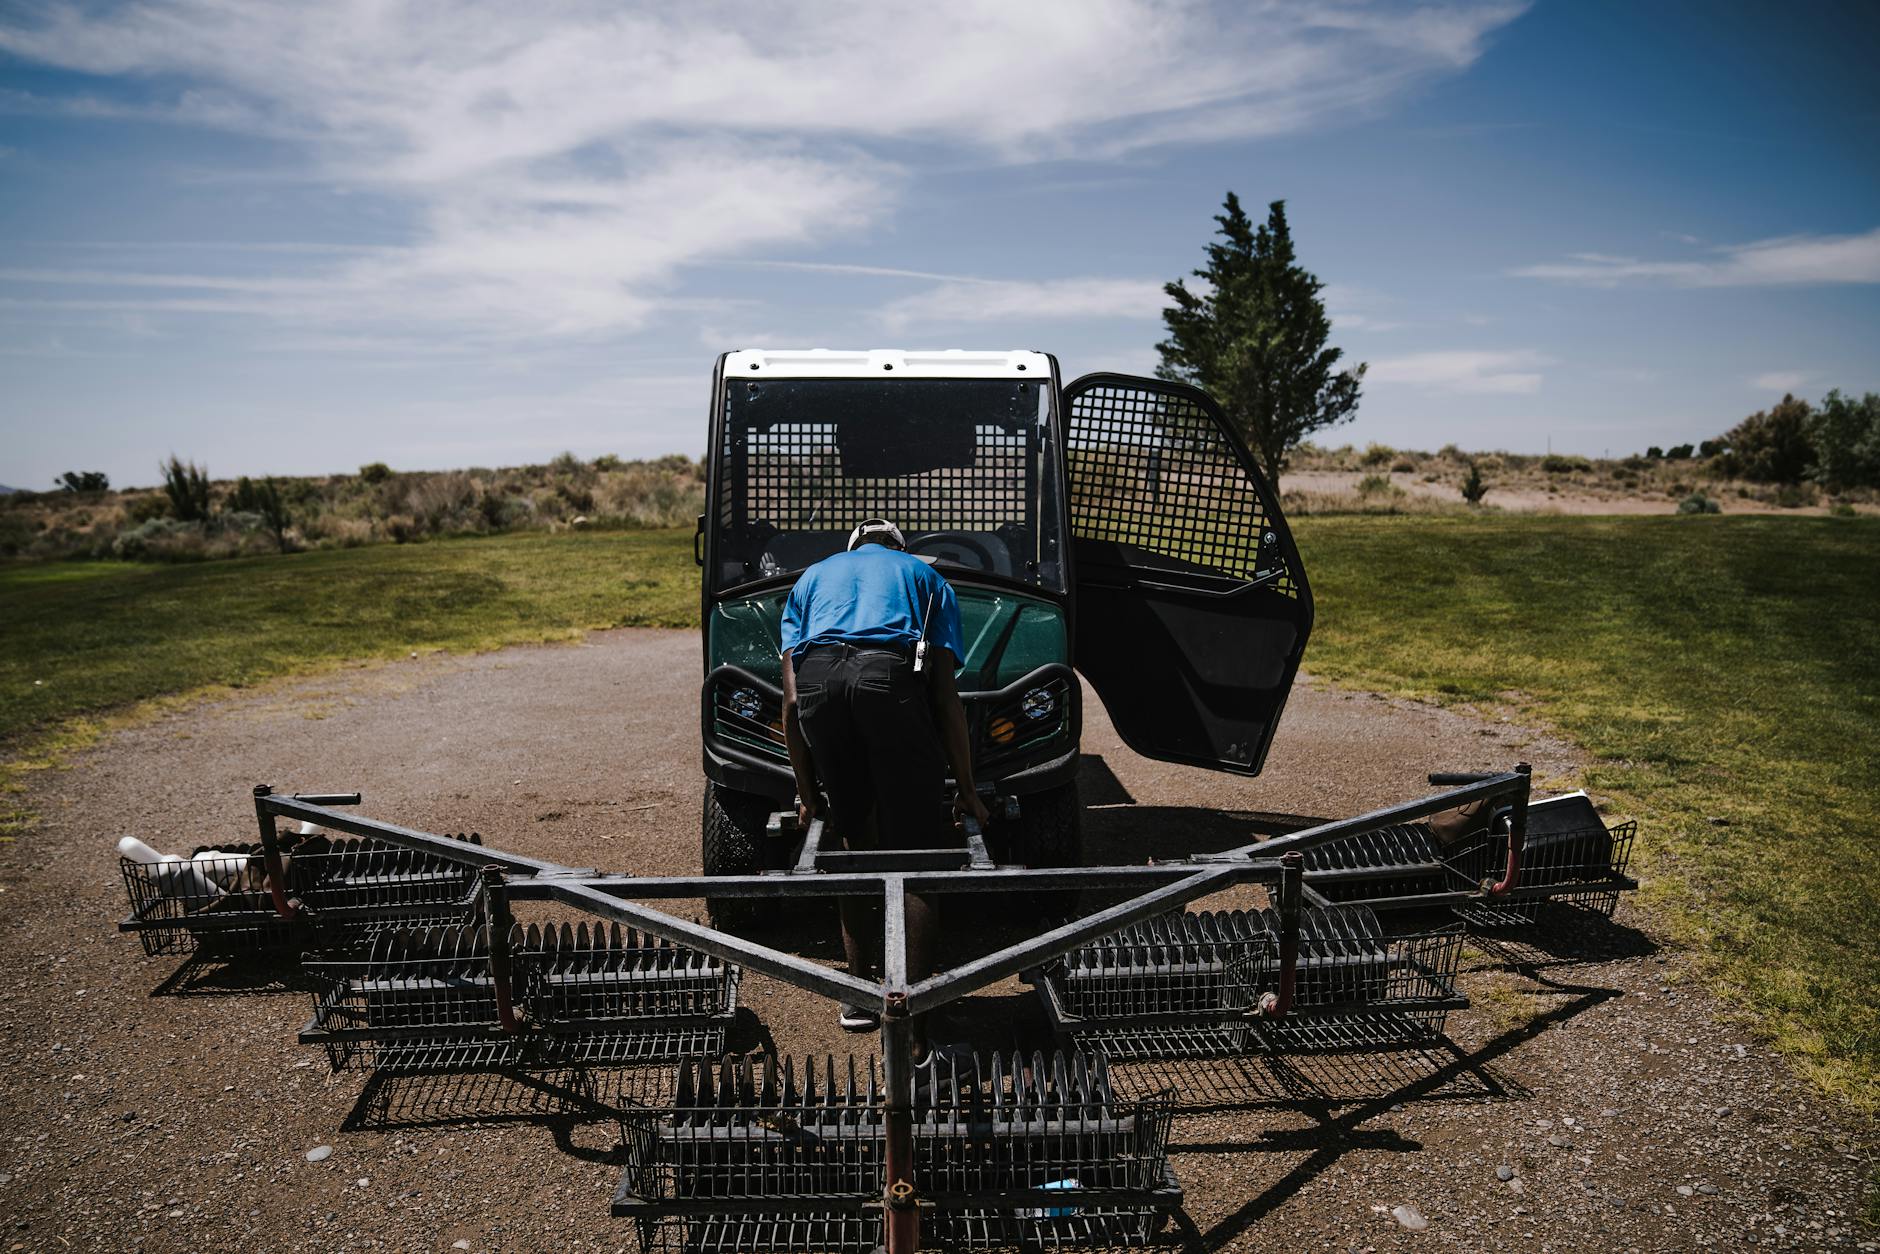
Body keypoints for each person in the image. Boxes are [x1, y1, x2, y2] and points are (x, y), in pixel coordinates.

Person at [778, 518, 991, 1039]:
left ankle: (856, 996)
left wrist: (807, 793)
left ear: (851, 548)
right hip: (888, 679)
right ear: (900, 547)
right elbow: (944, 697)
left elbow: (791, 704)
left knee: (854, 841)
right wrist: (967, 792)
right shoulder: (924, 577)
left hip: (819, 684)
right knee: (916, 852)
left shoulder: (811, 578)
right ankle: (915, 1017)